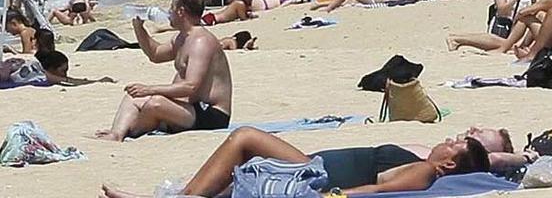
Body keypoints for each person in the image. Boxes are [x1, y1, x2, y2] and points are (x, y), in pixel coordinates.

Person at [100, 129, 490, 198]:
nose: (449, 140)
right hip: (315, 166)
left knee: (246, 138)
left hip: (316, 173)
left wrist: (336, 196)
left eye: (454, 145)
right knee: (237, 173)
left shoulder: (426, 171)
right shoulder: (426, 158)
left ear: (452, 165)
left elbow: (381, 190)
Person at [95, 0, 233, 141]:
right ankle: (117, 134)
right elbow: (155, 54)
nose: (168, 13)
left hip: (211, 113)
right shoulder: (182, 38)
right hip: (190, 108)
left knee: (155, 103)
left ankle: (133, 131)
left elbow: (190, 87)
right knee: (133, 96)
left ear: (181, 12)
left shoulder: (201, 42)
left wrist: (148, 90)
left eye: (171, 8)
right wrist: (139, 28)